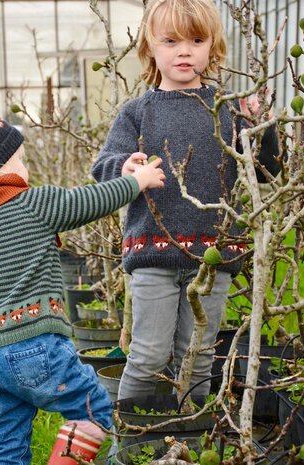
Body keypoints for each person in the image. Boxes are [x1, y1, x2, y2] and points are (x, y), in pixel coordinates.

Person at [0, 94, 164, 465]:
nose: (26, 168)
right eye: (20, 160)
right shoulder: (32, 203)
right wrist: (136, 181)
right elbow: (89, 202)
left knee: (6, 443)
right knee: (91, 411)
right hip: (34, 345)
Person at [91, 0, 279, 400]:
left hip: (214, 255)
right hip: (152, 252)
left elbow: (268, 168)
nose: (184, 50)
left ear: (213, 46)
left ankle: (187, 435)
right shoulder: (137, 113)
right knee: (147, 354)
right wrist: (127, 168)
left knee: (197, 356)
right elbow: (102, 167)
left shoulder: (228, 109)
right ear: (149, 47)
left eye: (197, 40)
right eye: (171, 40)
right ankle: (126, 441)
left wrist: (265, 125)